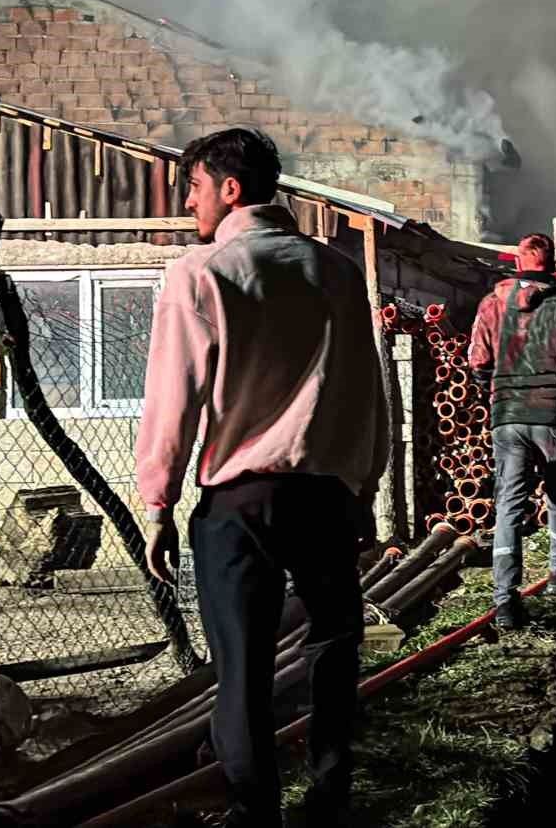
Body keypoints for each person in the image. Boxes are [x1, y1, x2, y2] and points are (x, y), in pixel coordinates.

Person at [135, 128, 386, 827]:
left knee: (241, 668)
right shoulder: (336, 271)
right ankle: (331, 795)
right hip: (328, 495)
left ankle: (255, 812)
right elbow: (368, 387)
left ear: (229, 189)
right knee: (334, 646)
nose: (188, 203)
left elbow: (172, 397)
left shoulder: (201, 272)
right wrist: (362, 485)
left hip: (239, 503)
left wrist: (158, 500)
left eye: (192, 188)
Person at [468, 233, 556, 630]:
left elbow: (478, 359)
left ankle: (505, 602)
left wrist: (492, 391)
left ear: (517, 262)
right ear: (551, 265)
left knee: (509, 505)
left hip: (507, 416)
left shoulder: (492, 303)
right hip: (553, 414)